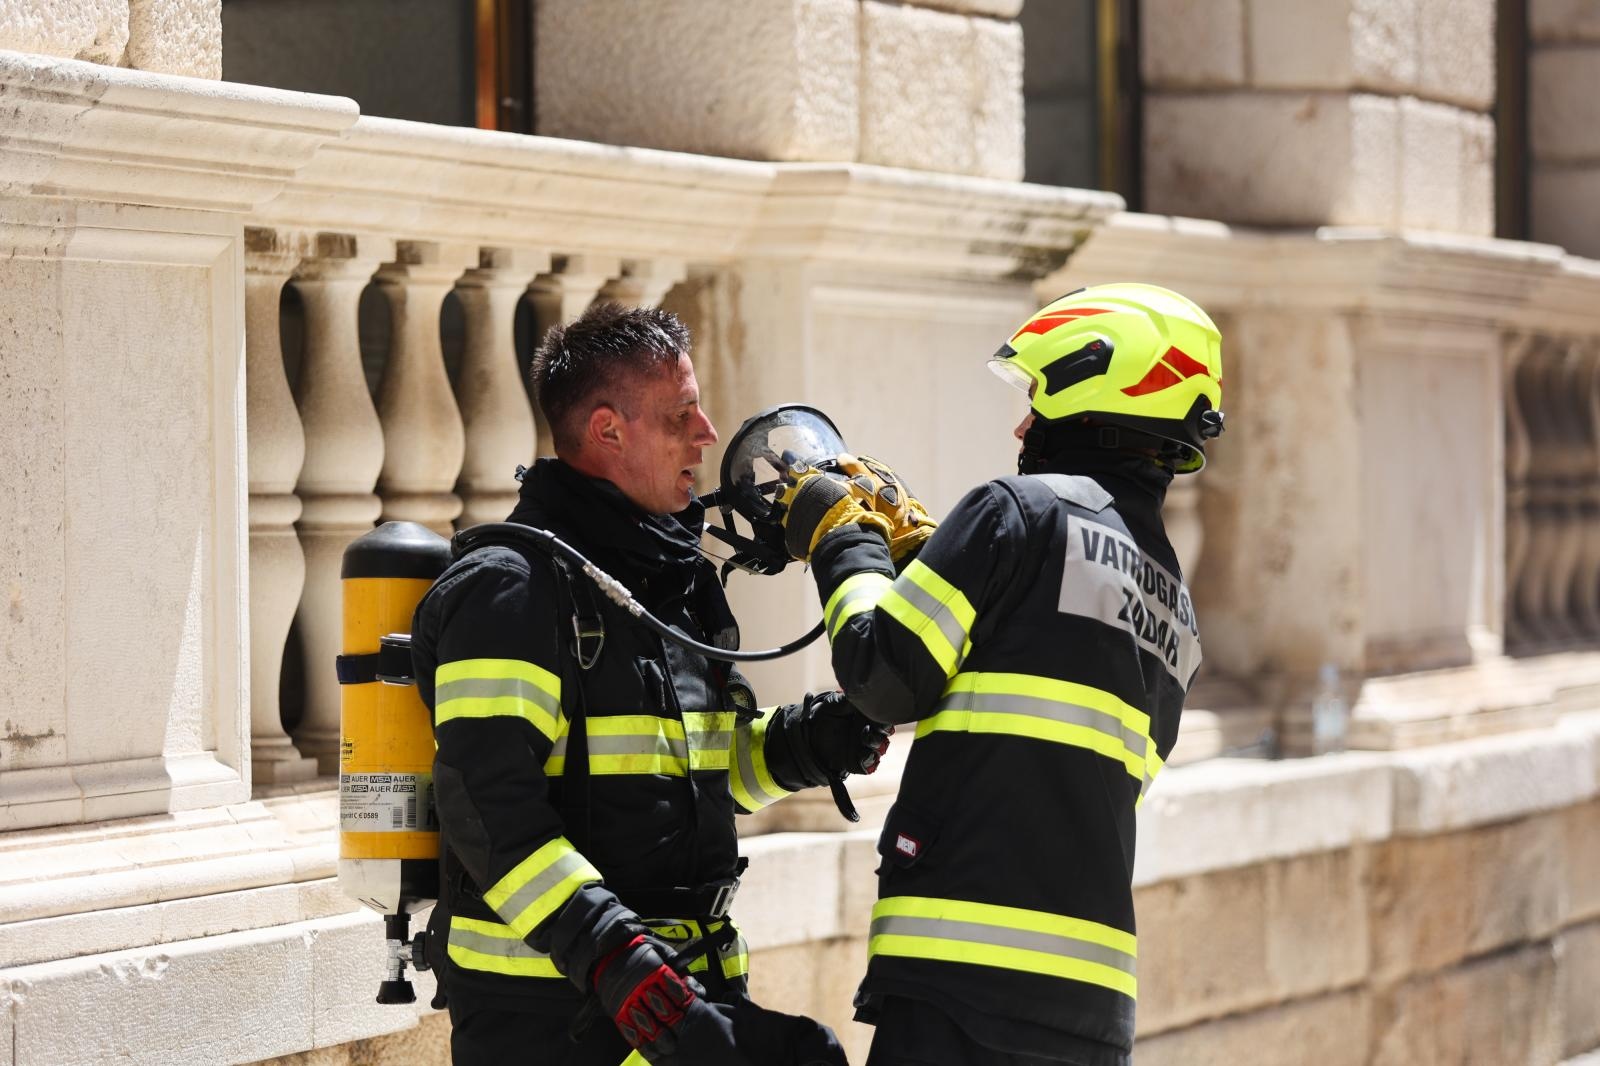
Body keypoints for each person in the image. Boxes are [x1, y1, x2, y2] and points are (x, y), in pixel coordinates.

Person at [410, 301, 889, 1066]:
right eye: (681, 417)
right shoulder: (512, 589)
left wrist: (808, 742)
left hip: (676, 999)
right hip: (554, 1017)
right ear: (608, 430)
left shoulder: (671, 583)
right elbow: (488, 810)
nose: (707, 435)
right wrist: (616, 962)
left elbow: (700, 770)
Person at [775, 283, 1225, 1066]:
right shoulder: (1174, 601)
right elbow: (1049, 731)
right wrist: (928, 564)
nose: (1023, 425)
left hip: (962, 979)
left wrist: (846, 542)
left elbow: (881, 674)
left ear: (1093, 389)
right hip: (1090, 1006)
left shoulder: (1015, 512)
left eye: (1039, 398)